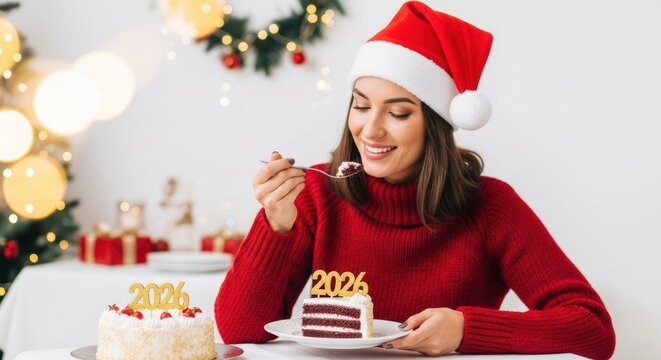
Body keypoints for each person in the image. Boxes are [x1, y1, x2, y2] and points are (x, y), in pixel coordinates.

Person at [215, 1, 615, 358]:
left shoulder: (491, 205)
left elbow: (593, 328)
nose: (370, 131)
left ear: (435, 125)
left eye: (398, 113)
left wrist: (465, 329)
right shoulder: (319, 192)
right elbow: (239, 330)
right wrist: (275, 224)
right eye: (361, 105)